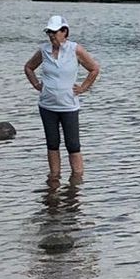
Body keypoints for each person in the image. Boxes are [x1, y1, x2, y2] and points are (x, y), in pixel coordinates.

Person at [23, 14, 100, 184]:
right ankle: (54, 179)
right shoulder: (44, 50)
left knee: (73, 145)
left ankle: (77, 181)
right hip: (47, 105)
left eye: (55, 32)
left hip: (69, 106)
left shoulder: (75, 49)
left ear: (64, 31)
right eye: (49, 32)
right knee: (52, 144)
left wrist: (83, 88)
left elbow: (94, 69)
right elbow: (28, 67)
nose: (51, 35)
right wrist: (36, 84)